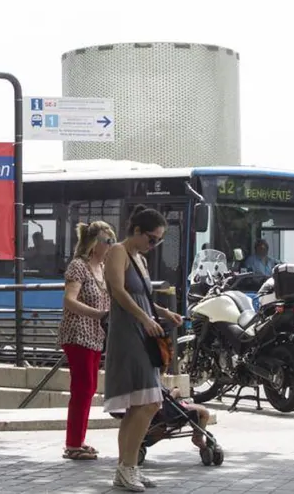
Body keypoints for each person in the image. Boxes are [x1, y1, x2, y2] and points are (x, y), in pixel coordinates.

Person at [103, 205, 183, 492]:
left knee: (141, 404)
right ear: (136, 231)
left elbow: (143, 296)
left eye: (159, 240)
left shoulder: (138, 258)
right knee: (148, 402)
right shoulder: (118, 252)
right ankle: (126, 468)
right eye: (152, 239)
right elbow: (118, 291)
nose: (155, 245)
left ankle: (127, 468)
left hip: (142, 329)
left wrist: (161, 313)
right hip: (129, 332)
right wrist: (145, 318)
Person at [58, 221, 116, 460]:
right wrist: (97, 315)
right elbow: (69, 300)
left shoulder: (103, 267)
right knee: (82, 388)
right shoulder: (78, 266)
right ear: (94, 244)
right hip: (78, 333)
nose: (112, 245)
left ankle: (78, 441)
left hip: (95, 335)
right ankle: (72, 444)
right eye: (108, 241)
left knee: (89, 388)